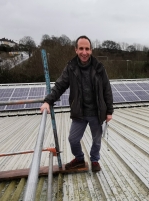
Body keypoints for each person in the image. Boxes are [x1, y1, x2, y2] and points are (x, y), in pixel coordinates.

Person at [40, 35, 113, 172]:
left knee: (96, 140)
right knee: (73, 140)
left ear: (91, 50)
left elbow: (107, 89)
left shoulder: (99, 67)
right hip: (79, 112)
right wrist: (48, 101)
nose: (84, 52)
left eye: (87, 49)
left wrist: (109, 111)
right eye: (81, 49)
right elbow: (60, 85)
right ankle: (79, 159)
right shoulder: (71, 67)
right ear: (76, 50)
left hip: (97, 113)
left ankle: (95, 160)